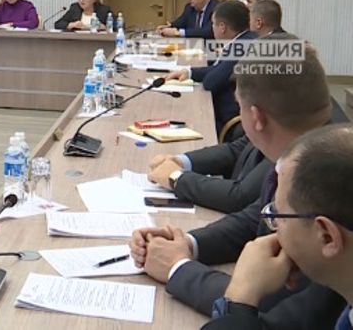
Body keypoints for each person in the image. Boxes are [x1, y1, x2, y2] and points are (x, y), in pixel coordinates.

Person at [129, 47, 344, 328]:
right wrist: (187, 245)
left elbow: (275, 307)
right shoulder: (310, 141)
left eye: (239, 107)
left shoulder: (322, 171)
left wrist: (178, 268)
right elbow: (258, 216)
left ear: (255, 116)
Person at [202, 125, 353, 329]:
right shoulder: (337, 286)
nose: (273, 227)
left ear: (327, 237)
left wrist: (240, 296)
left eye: (277, 215)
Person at [165, 1, 257, 134]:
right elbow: (220, 68)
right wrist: (189, 72)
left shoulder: (242, 46)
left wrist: (198, 74)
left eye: (213, 24)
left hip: (229, 121)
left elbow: (211, 82)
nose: (212, 28)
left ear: (222, 27)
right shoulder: (246, 39)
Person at [146, 132, 272, 214]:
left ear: (256, 114)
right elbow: (237, 149)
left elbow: (239, 197)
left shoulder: (281, 148)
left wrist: (176, 177)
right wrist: (179, 161)